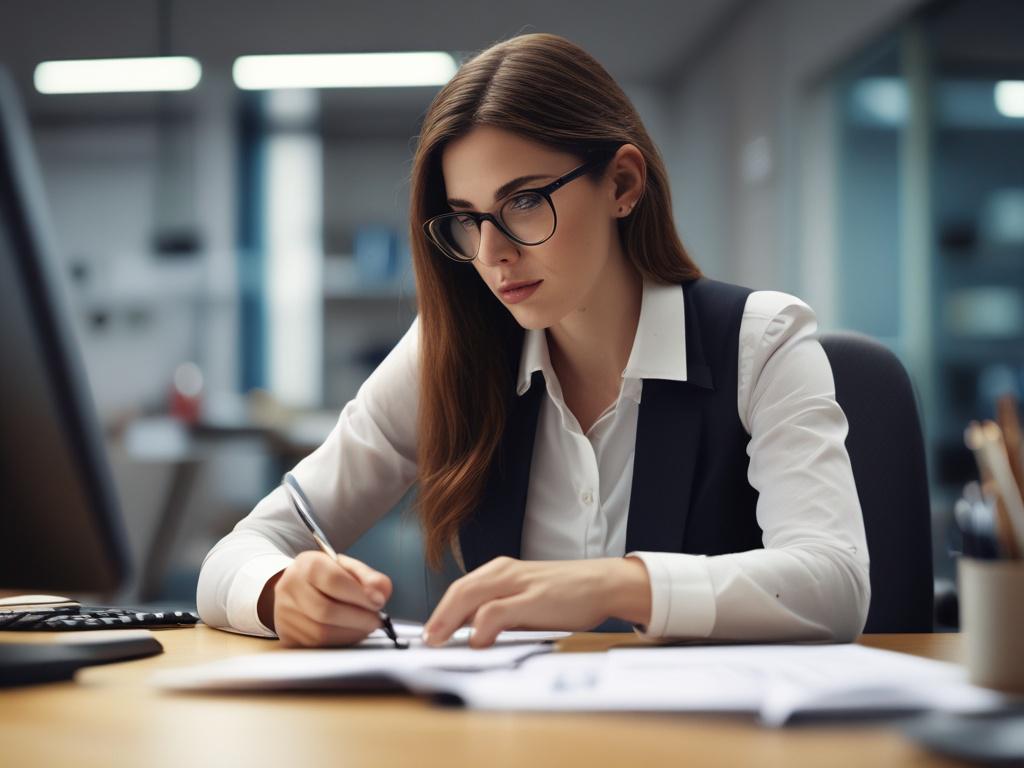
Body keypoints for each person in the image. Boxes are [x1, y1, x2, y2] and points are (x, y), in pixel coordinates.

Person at [196, 32, 870, 649]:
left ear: (623, 185)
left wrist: (609, 584)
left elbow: (836, 582)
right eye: (467, 219)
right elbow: (241, 551)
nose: (492, 255)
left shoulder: (762, 339)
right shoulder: (448, 350)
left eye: (522, 201)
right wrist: (280, 594)